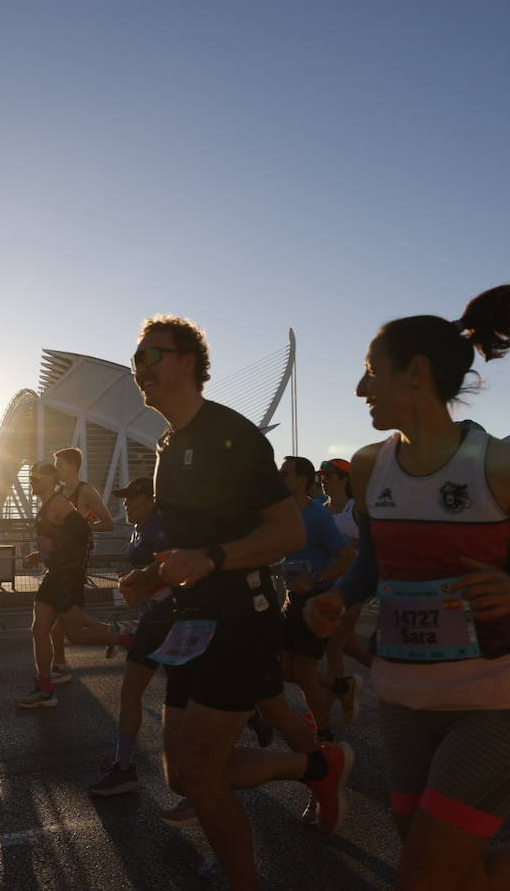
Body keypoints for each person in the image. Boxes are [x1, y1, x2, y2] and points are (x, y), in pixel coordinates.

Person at [306, 285, 510, 891]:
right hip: (400, 700)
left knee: (425, 879)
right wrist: (338, 598)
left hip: (491, 702)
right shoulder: (371, 464)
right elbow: (371, 567)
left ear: (416, 373)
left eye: (371, 372)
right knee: (447, 874)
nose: (359, 388)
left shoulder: (500, 466)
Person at [124, 314, 353, 890]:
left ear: (187, 364)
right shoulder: (168, 445)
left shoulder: (233, 436)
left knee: (202, 778)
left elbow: (288, 534)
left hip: (241, 618)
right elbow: (193, 544)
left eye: (152, 356)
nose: (139, 368)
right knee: (182, 776)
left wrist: (212, 559)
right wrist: (154, 574)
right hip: (190, 621)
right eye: (136, 358)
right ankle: (315, 766)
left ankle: (244, 878)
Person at [18, 463, 129, 708]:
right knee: (39, 630)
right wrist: (43, 554)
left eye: (36, 477)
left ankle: (128, 641)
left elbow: (81, 533)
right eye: (31, 477)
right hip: (57, 573)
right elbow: (61, 538)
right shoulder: (48, 504)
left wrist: (60, 556)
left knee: (75, 633)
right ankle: (45, 690)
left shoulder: (58, 504)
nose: (32, 481)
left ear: (50, 479)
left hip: (65, 576)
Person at [88, 476, 172, 795]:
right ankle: (124, 768)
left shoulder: (160, 525)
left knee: (189, 700)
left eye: (132, 498)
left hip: (173, 618)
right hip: (153, 617)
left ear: (151, 500)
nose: (125, 503)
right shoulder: (138, 529)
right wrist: (132, 582)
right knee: (130, 691)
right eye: (124, 498)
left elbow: (171, 563)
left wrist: (141, 579)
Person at [278, 455, 355, 742]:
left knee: (304, 670)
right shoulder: (283, 513)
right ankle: (339, 685)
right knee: (285, 669)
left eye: (284, 473)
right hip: (292, 599)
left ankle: (324, 735)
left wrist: (316, 579)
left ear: (301, 480)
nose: (279, 477)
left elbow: (347, 557)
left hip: (317, 600)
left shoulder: (318, 516)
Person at [47, 447, 115, 681]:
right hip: (58, 558)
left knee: (56, 618)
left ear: (72, 466)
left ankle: (60, 665)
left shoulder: (85, 491)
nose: (56, 469)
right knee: (66, 615)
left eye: (60, 465)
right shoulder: (58, 492)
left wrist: (84, 528)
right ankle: (115, 633)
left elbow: (107, 523)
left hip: (75, 561)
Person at [315, 458, 371, 725]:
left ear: (345, 479)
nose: (323, 479)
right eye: (322, 475)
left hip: (350, 587)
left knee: (333, 647)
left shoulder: (356, 509)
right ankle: (395, 672)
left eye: (330, 475)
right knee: (351, 647)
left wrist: (344, 543)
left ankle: (326, 713)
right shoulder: (320, 510)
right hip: (324, 588)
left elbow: (375, 547)